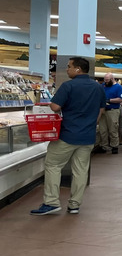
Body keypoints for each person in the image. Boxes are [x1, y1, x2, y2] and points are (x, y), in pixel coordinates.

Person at [31, 57, 106, 215]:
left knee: (53, 165)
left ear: (78, 69)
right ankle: (74, 205)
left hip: (67, 135)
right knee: (80, 171)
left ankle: (51, 202)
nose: (67, 69)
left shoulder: (68, 86)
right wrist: (91, 123)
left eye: (69, 66)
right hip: (87, 136)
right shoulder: (97, 87)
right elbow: (101, 109)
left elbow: (55, 106)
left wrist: (55, 106)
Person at [96, 72, 122, 154]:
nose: (106, 82)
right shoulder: (103, 86)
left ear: (112, 79)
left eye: (108, 80)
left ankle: (114, 146)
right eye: (105, 80)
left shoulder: (118, 87)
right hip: (103, 110)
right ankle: (104, 146)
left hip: (113, 110)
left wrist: (110, 100)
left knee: (113, 129)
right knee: (102, 129)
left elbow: (121, 99)